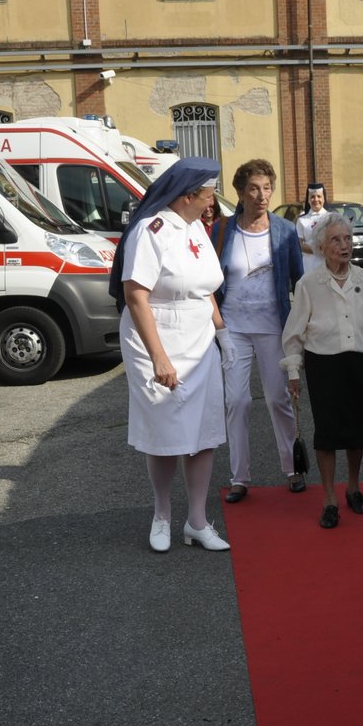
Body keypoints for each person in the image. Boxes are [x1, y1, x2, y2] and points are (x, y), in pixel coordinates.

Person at [108, 156, 233, 554]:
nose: (212, 203)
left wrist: (222, 332)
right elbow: (135, 295)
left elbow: (204, 287)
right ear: (186, 196)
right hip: (158, 336)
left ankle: (197, 521)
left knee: (204, 432)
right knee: (164, 432)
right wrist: (159, 357)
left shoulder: (196, 227)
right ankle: (161, 514)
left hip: (199, 338)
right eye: (209, 194)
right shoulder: (152, 230)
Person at [282, 212, 363, 528]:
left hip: (359, 362)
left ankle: (354, 488)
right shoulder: (309, 284)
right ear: (321, 247)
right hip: (323, 364)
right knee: (328, 434)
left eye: (347, 239)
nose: (344, 245)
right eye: (336, 240)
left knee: (357, 433)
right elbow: (293, 333)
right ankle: (329, 498)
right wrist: (293, 371)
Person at [211, 158, 305, 503]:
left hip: (272, 328)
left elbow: (299, 281)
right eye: (254, 188)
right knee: (236, 401)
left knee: (279, 400)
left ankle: (292, 468)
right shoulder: (222, 230)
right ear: (239, 191)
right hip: (233, 327)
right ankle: (239, 477)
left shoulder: (283, 230)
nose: (262, 195)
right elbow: (209, 280)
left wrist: (302, 328)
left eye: (267, 188)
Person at [296, 181, 331, 273]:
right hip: (308, 265)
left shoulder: (331, 218)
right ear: (308, 200)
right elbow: (298, 244)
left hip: (327, 264)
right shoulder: (302, 220)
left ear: (324, 198)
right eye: (312, 197)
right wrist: (316, 250)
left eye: (319, 196)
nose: (316, 199)